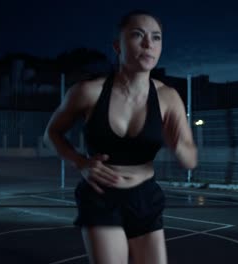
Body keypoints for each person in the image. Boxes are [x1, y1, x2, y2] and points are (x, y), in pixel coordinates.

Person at [44, 10, 197, 264]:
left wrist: (180, 148)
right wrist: (80, 162)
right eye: (138, 35)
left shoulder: (168, 97)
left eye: (156, 37)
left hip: (145, 197)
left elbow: (190, 159)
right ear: (117, 45)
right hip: (100, 195)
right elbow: (51, 134)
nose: (149, 44)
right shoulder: (87, 92)